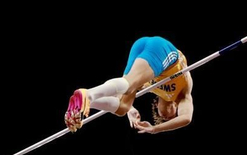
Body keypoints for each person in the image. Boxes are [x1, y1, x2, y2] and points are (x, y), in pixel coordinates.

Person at [65, 37, 194, 135]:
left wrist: (130, 110)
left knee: (123, 107)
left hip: (141, 47)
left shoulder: (150, 86)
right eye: (170, 117)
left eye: (162, 117)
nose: (166, 117)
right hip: (165, 51)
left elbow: (117, 89)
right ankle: (88, 94)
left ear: (157, 107)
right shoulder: (184, 93)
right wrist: (155, 129)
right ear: (176, 106)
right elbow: (186, 118)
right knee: (129, 84)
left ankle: (85, 104)